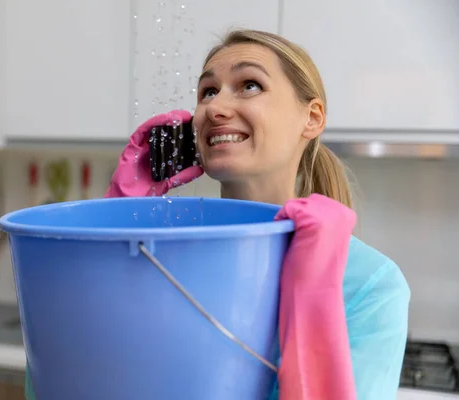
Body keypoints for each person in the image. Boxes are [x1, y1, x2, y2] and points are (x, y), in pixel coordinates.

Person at [26, 29, 410, 399]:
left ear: (312, 118)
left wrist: (313, 298)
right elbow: (61, 377)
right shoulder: (159, 254)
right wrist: (117, 222)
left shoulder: (370, 285)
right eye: (208, 92)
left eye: (250, 85)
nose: (215, 108)